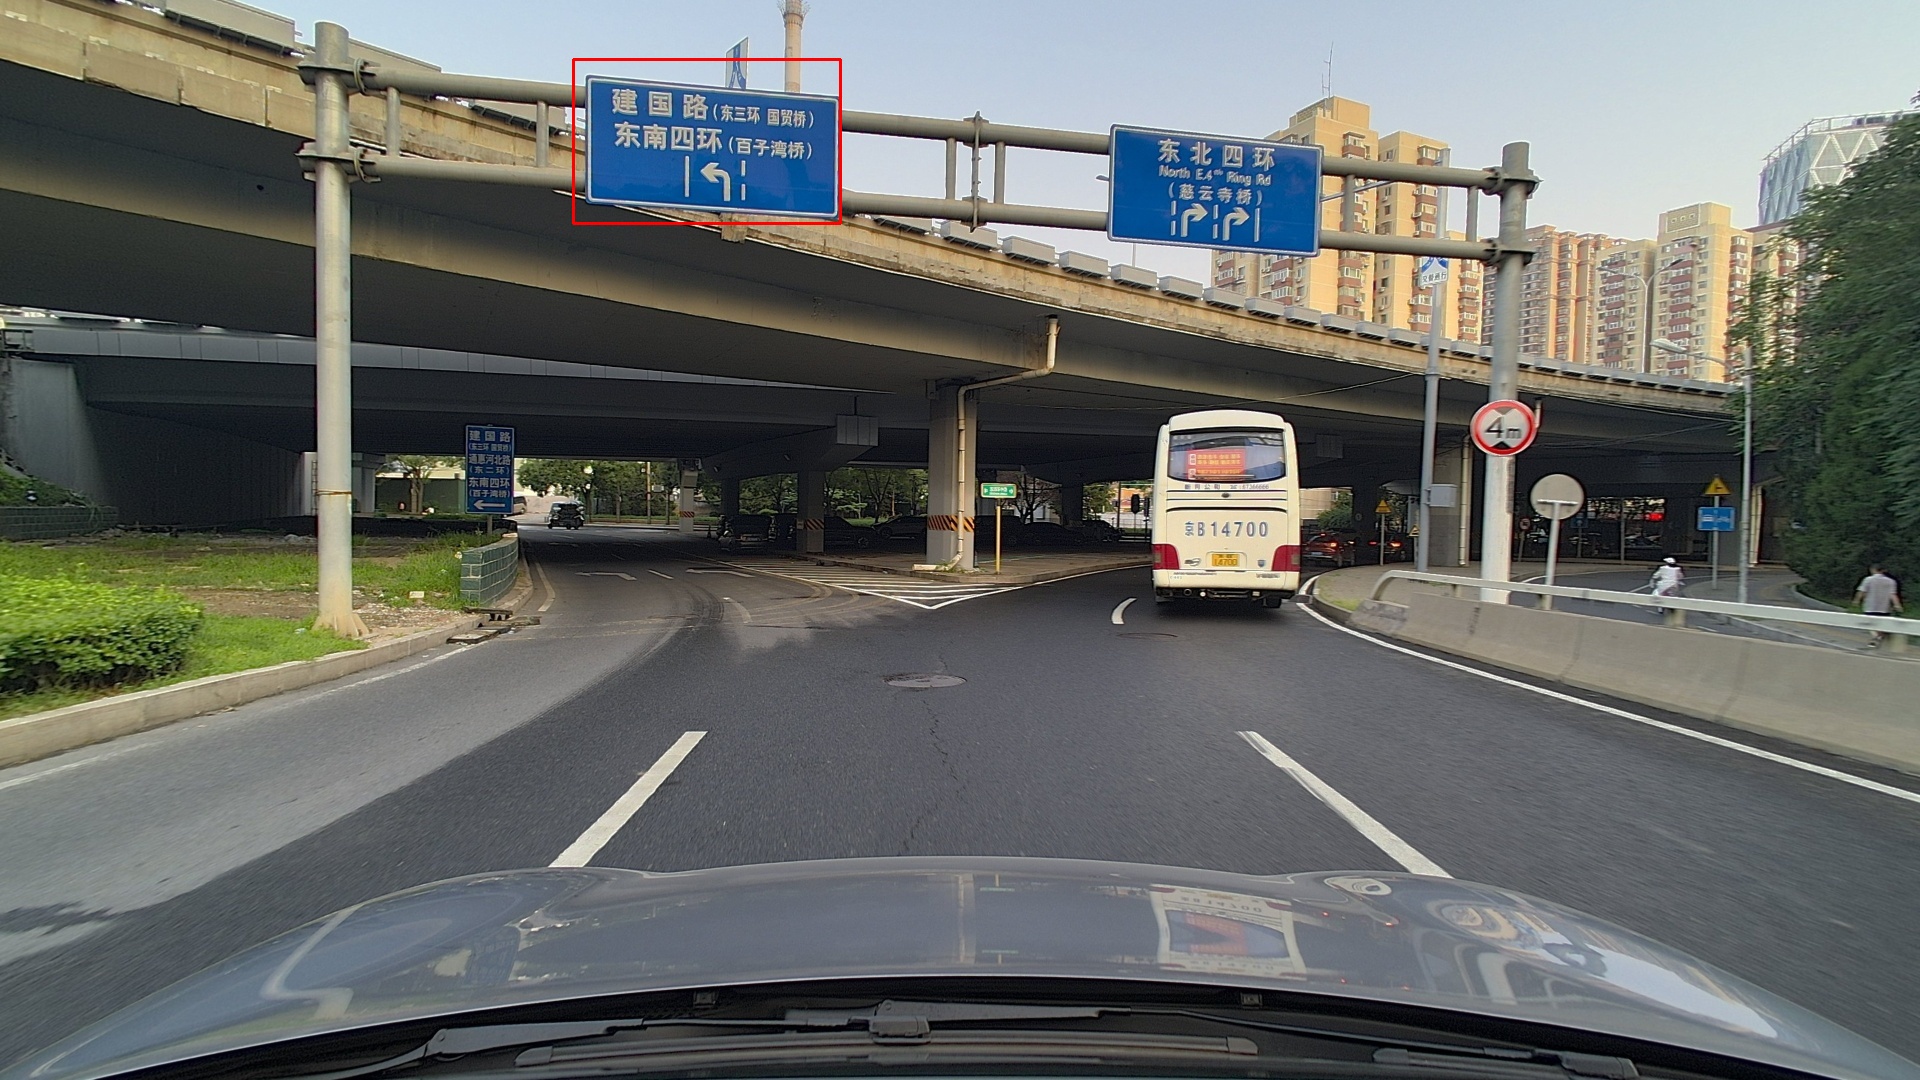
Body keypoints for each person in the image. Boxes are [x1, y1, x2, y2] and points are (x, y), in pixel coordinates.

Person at [1853, 565, 1904, 648]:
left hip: (1870, 606)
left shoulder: (1868, 579)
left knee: (1870, 624)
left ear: (1873, 570)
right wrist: (1897, 605)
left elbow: (1861, 591)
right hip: (1885, 607)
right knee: (1881, 624)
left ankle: (1876, 638)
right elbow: (1892, 594)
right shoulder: (1891, 581)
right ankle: (1878, 637)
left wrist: (1857, 600)